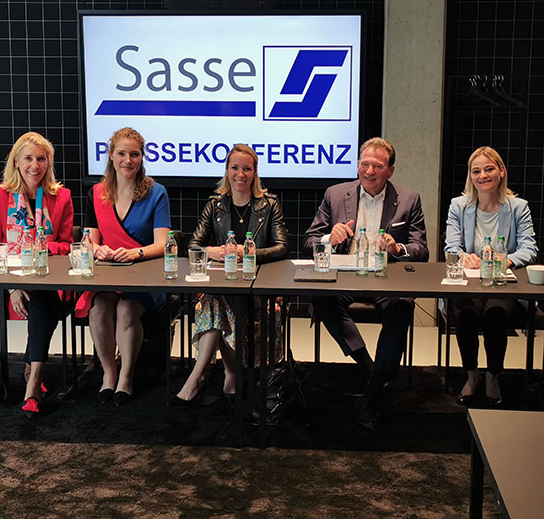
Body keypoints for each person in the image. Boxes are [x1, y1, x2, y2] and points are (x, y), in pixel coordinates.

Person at [303, 137, 429, 431]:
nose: (369, 171)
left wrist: (397, 249)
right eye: (364, 163)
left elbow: (421, 251)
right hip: (346, 275)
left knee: (402, 306)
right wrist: (327, 239)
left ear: (391, 170)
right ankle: (373, 373)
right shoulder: (335, 194)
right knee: (322, 299)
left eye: (377, 165)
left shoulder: (409, 198)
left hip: (387, 276)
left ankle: (371, 392)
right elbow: (309, 240)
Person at [170, 144, 288, 406]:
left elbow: (282, 247)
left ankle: (216, 376)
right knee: (214, 300)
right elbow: (193, 246)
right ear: (227, 170)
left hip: (259, 288)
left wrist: (249, 254)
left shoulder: (269, 205)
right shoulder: (216, 205)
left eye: (247, 168)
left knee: (215, 303)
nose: (240, 174)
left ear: (255, 173)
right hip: (225, 283)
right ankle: (218, 375)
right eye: (235, 167)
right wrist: (212, 251)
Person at [76, 127, 171, 406]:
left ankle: (127, 377)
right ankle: (109, 374)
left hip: (144, 274)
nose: (127, 160)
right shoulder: (95, 193)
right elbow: (88, 241)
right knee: (99, 310)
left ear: (142, 157)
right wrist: (97, 249)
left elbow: (164, 244)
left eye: (134, 154)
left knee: (126, 309)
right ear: (110, 155)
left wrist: (134, 253)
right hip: (108, 274)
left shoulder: (157, 193)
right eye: (121, 153)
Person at [0, 131, 73, 417]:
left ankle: (33, 380)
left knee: (44, 297)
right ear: (17, 162)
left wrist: (44, 248)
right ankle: (34, 375)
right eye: (29, 158)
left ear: (49, 163)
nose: (35, 165)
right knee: (40, 302)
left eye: (42, 159)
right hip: (10, 283)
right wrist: (13, 288)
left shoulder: (61, 197)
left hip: (51, 280)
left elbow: (68, 245)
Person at [444, 146, 537, 405]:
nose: (482, 175)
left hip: (502, 283)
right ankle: (472, 374)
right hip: (470, 282)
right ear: (470, 176)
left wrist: (506, 259)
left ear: (501, 171)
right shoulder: (458, 206)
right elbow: (451, 246)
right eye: (476, 171)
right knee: (465, 315)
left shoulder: (519, 207)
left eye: (489, 169)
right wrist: (463, 256)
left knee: (494, 315)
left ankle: (493, 375)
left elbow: (530, 249)